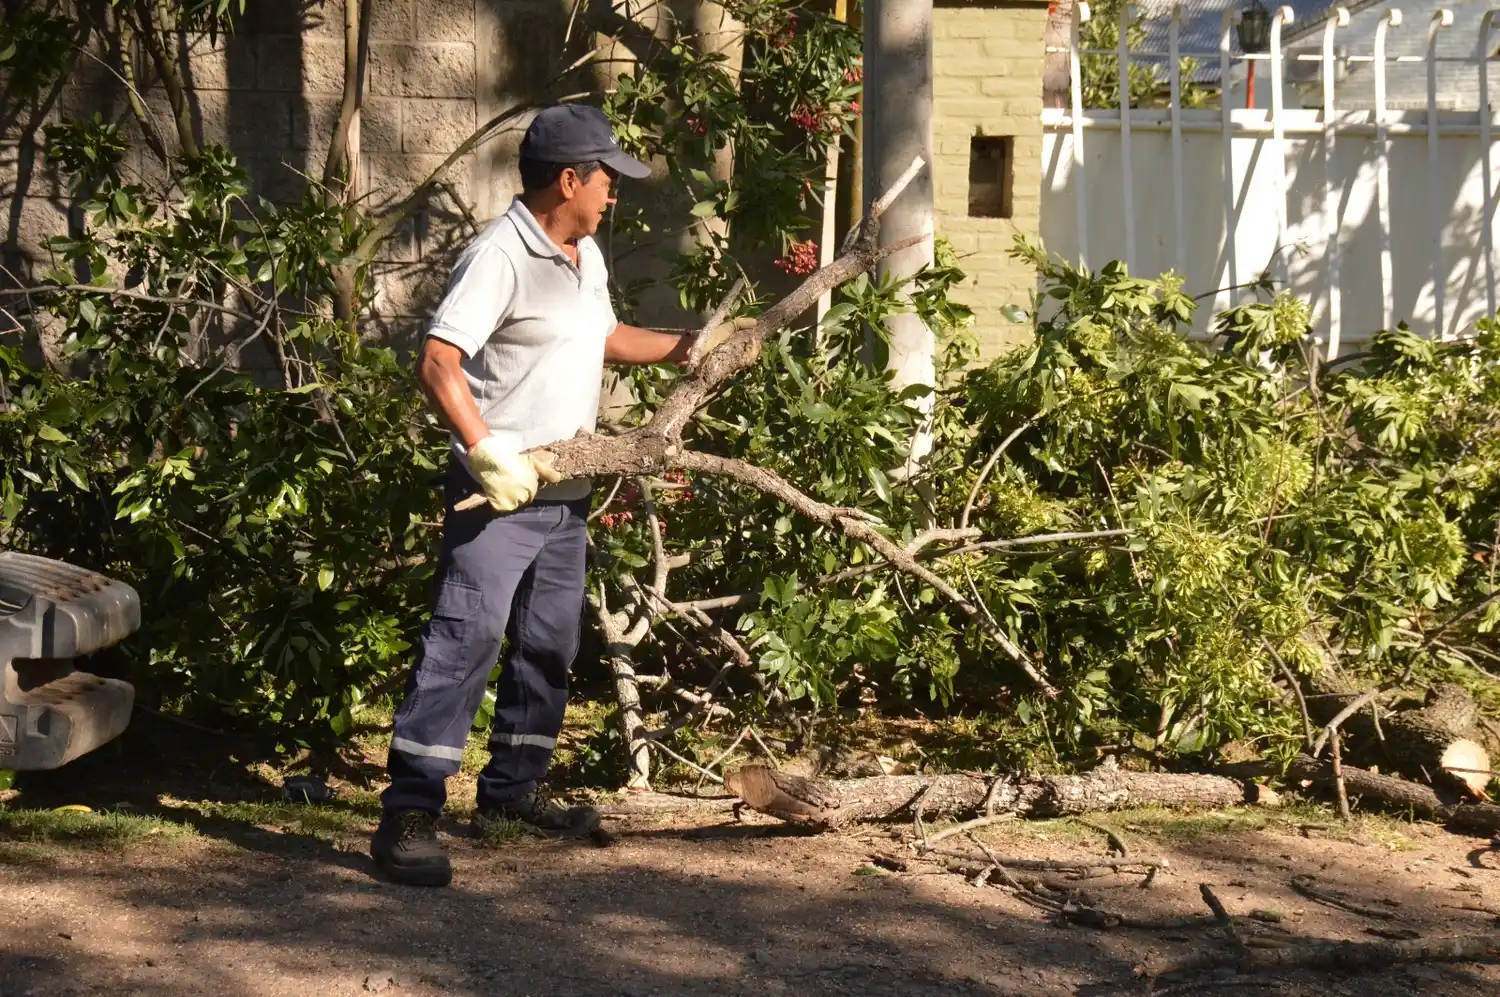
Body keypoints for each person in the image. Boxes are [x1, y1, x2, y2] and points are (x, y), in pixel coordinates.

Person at [371, 103, 751, 887]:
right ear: (569, 180)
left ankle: (511, 793)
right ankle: (408, 813)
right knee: (465, 639)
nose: (615, 191)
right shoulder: (499, 256)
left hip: (566, 493)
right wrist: (486, 453)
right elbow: (439, 361)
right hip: (500, 494)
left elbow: (602, 335)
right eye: (607, 177)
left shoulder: (584, 254)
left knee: (549, 645)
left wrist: (688, 349)